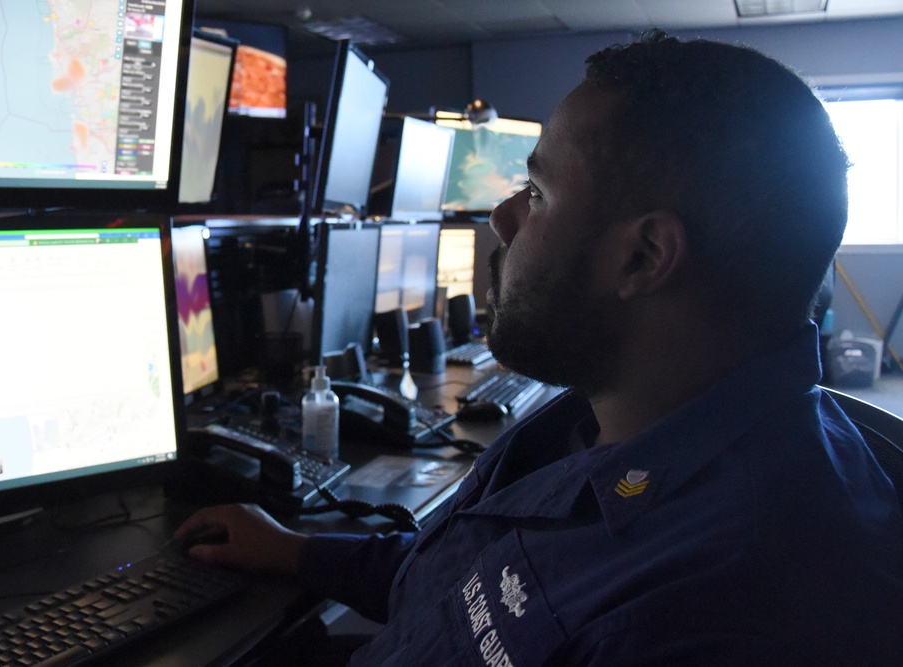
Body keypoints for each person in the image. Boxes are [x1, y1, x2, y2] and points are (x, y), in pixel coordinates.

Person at [176, 30, 903, 664]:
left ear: (645, 257)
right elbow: (465, 584)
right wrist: (295, 549)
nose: (501, 219)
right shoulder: (605, 417)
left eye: (537, 193)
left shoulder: (733, 607)